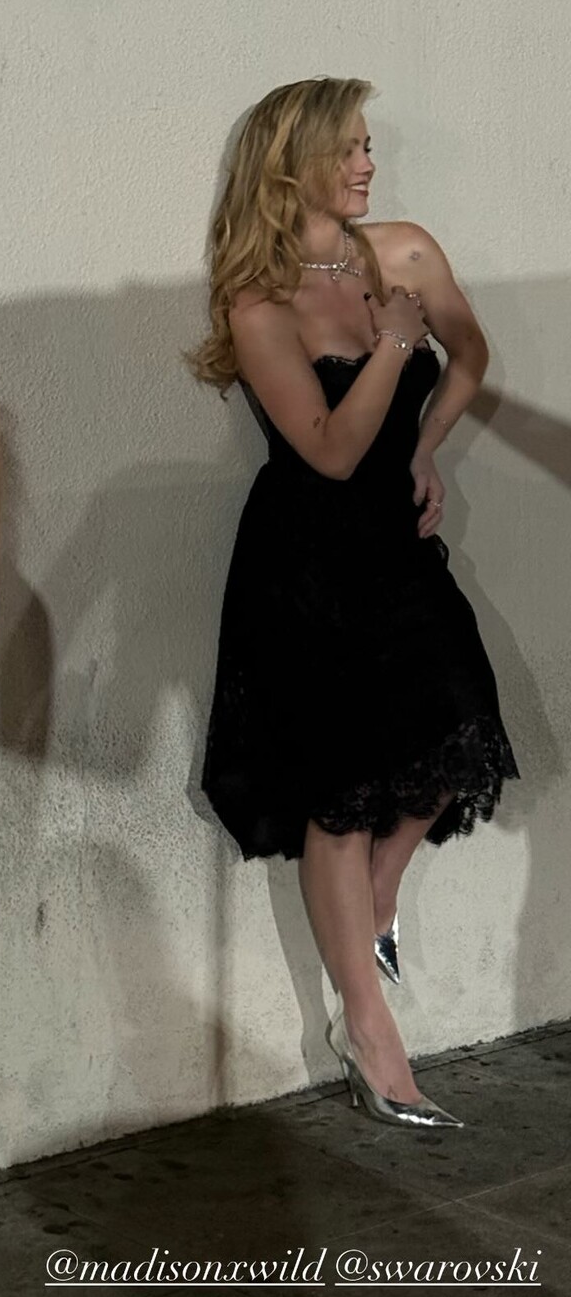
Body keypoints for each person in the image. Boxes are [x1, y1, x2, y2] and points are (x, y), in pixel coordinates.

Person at [189, 77, 516, 1129]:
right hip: (307, 562)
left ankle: (374, 902)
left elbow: (472, 354)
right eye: (349, 149)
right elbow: (328, 451)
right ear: (292, 166)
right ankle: (369, 1034)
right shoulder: (257, 300)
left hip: (396, 543)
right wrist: (392, 346)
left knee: (459, 721)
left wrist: (427, 446)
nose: (369, 164)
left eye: (369, 146)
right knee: (338, 794)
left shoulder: (404, 252)